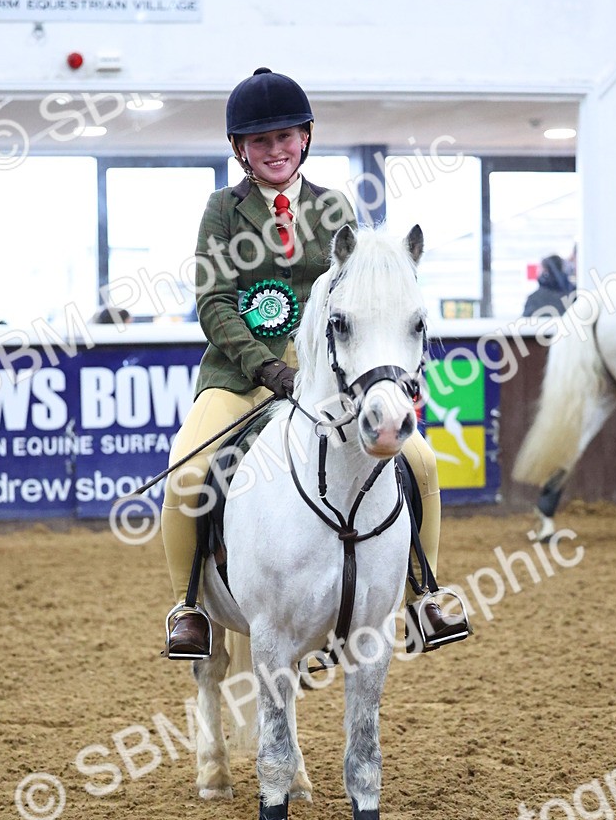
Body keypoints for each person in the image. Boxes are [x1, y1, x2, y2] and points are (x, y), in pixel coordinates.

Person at [160, 67, 461, 658]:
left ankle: (423, 593)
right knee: (187, 475)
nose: (275, 150)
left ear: (305, 138)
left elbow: (356, 298)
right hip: (240, 374)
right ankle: (188, 605)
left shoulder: (333, 208)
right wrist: (265, 368)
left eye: (285, 137)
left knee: (420, 462)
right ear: (241, 150)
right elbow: (214, 302)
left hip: (326, 376)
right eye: (260, 141)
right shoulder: (222, 210)